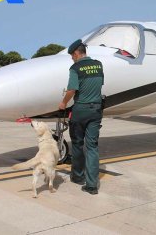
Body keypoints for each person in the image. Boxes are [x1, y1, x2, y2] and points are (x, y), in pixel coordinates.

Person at [59, 39, 104, 195]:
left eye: (72, 55)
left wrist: (63, 103)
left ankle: (78, 176)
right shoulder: (98, 65)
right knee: (92, 147)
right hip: (96, 111)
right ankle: (92, 185)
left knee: (78, 144)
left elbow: (72, 89)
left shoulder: (75, 68)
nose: (72, 58)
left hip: (81, 111)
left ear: (77, 53)